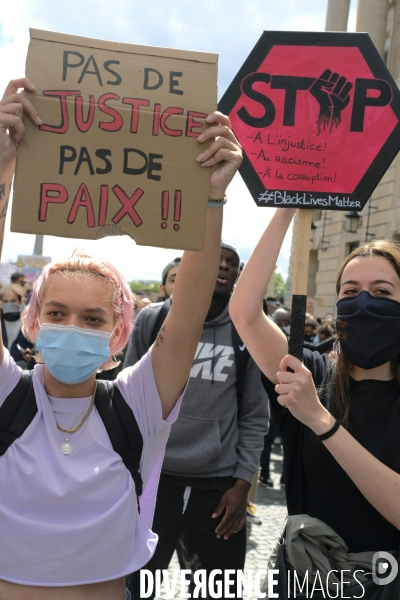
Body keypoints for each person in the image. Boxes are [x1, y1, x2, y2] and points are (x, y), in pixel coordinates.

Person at [0, 77, 242, 600]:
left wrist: (211, 196)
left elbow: (189, 312)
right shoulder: (7, 394)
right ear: (33, 321)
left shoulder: (137, 404)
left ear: (119, 334)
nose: (72, 326)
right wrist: (2, 172)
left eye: (92, 319)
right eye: (58, 312)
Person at [230, 207, 400, 586]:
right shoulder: (309, 375)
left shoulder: (312, 398)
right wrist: (288, 205)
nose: (364, 302)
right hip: (310, 582)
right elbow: (245, 313)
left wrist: (319, 419)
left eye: (382, 292)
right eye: (351, 292)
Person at [125, 241, 269, 600]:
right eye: (213, 258)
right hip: (154, 480)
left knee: (221, 589)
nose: (222, 266)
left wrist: (242, 485)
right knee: (137, 586)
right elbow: (126, 398)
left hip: (218, 488)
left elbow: (255, 413)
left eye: (230, 263)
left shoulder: (246, 331)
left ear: (236, 274)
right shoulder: (153, 319)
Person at [0, 283, 33, 363]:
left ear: (20, 301)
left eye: (13, 301)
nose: (9, 304)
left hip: (21, 369)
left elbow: (35, 346)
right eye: (6, 301)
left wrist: (30, 354)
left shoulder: (29, 323)